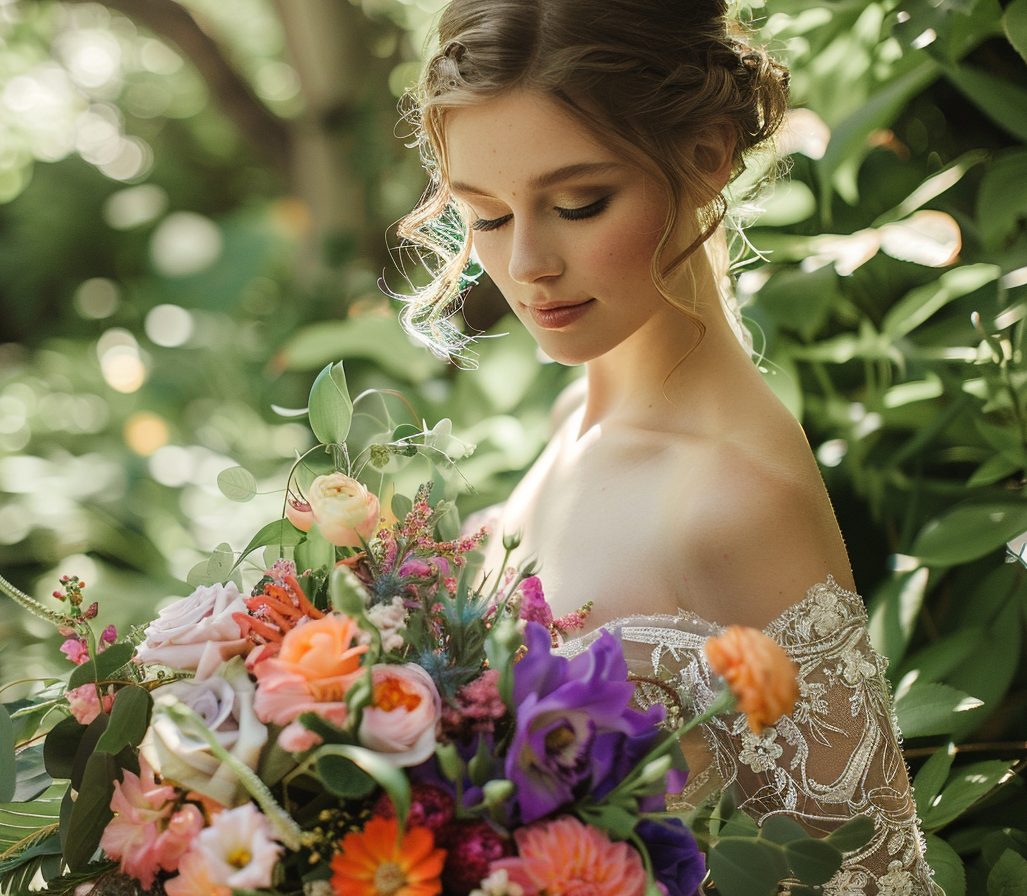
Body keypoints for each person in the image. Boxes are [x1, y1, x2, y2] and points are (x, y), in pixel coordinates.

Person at [395, 1, 940, 894]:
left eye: (578, 203)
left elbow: (869, 879)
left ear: (707, 154)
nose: (527, 261)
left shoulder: (733, 500)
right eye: (485, 216)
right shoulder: (573, 415)